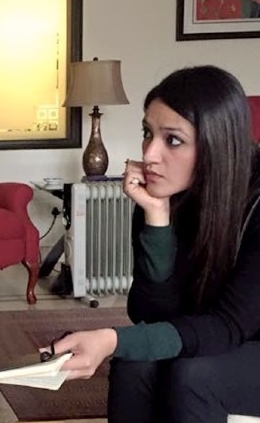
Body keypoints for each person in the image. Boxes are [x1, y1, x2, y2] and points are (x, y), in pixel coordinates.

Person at [49, 65, 260, 423]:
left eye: (172, 140)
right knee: (137, 362)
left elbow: (226, 326)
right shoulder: (163, 195)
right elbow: (151, 316)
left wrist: (112, 340)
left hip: (242, 339)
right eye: (148, 133)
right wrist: (156, 220)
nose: (149, 154)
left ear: (216, 144)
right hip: (220, 338)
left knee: (193, 377)